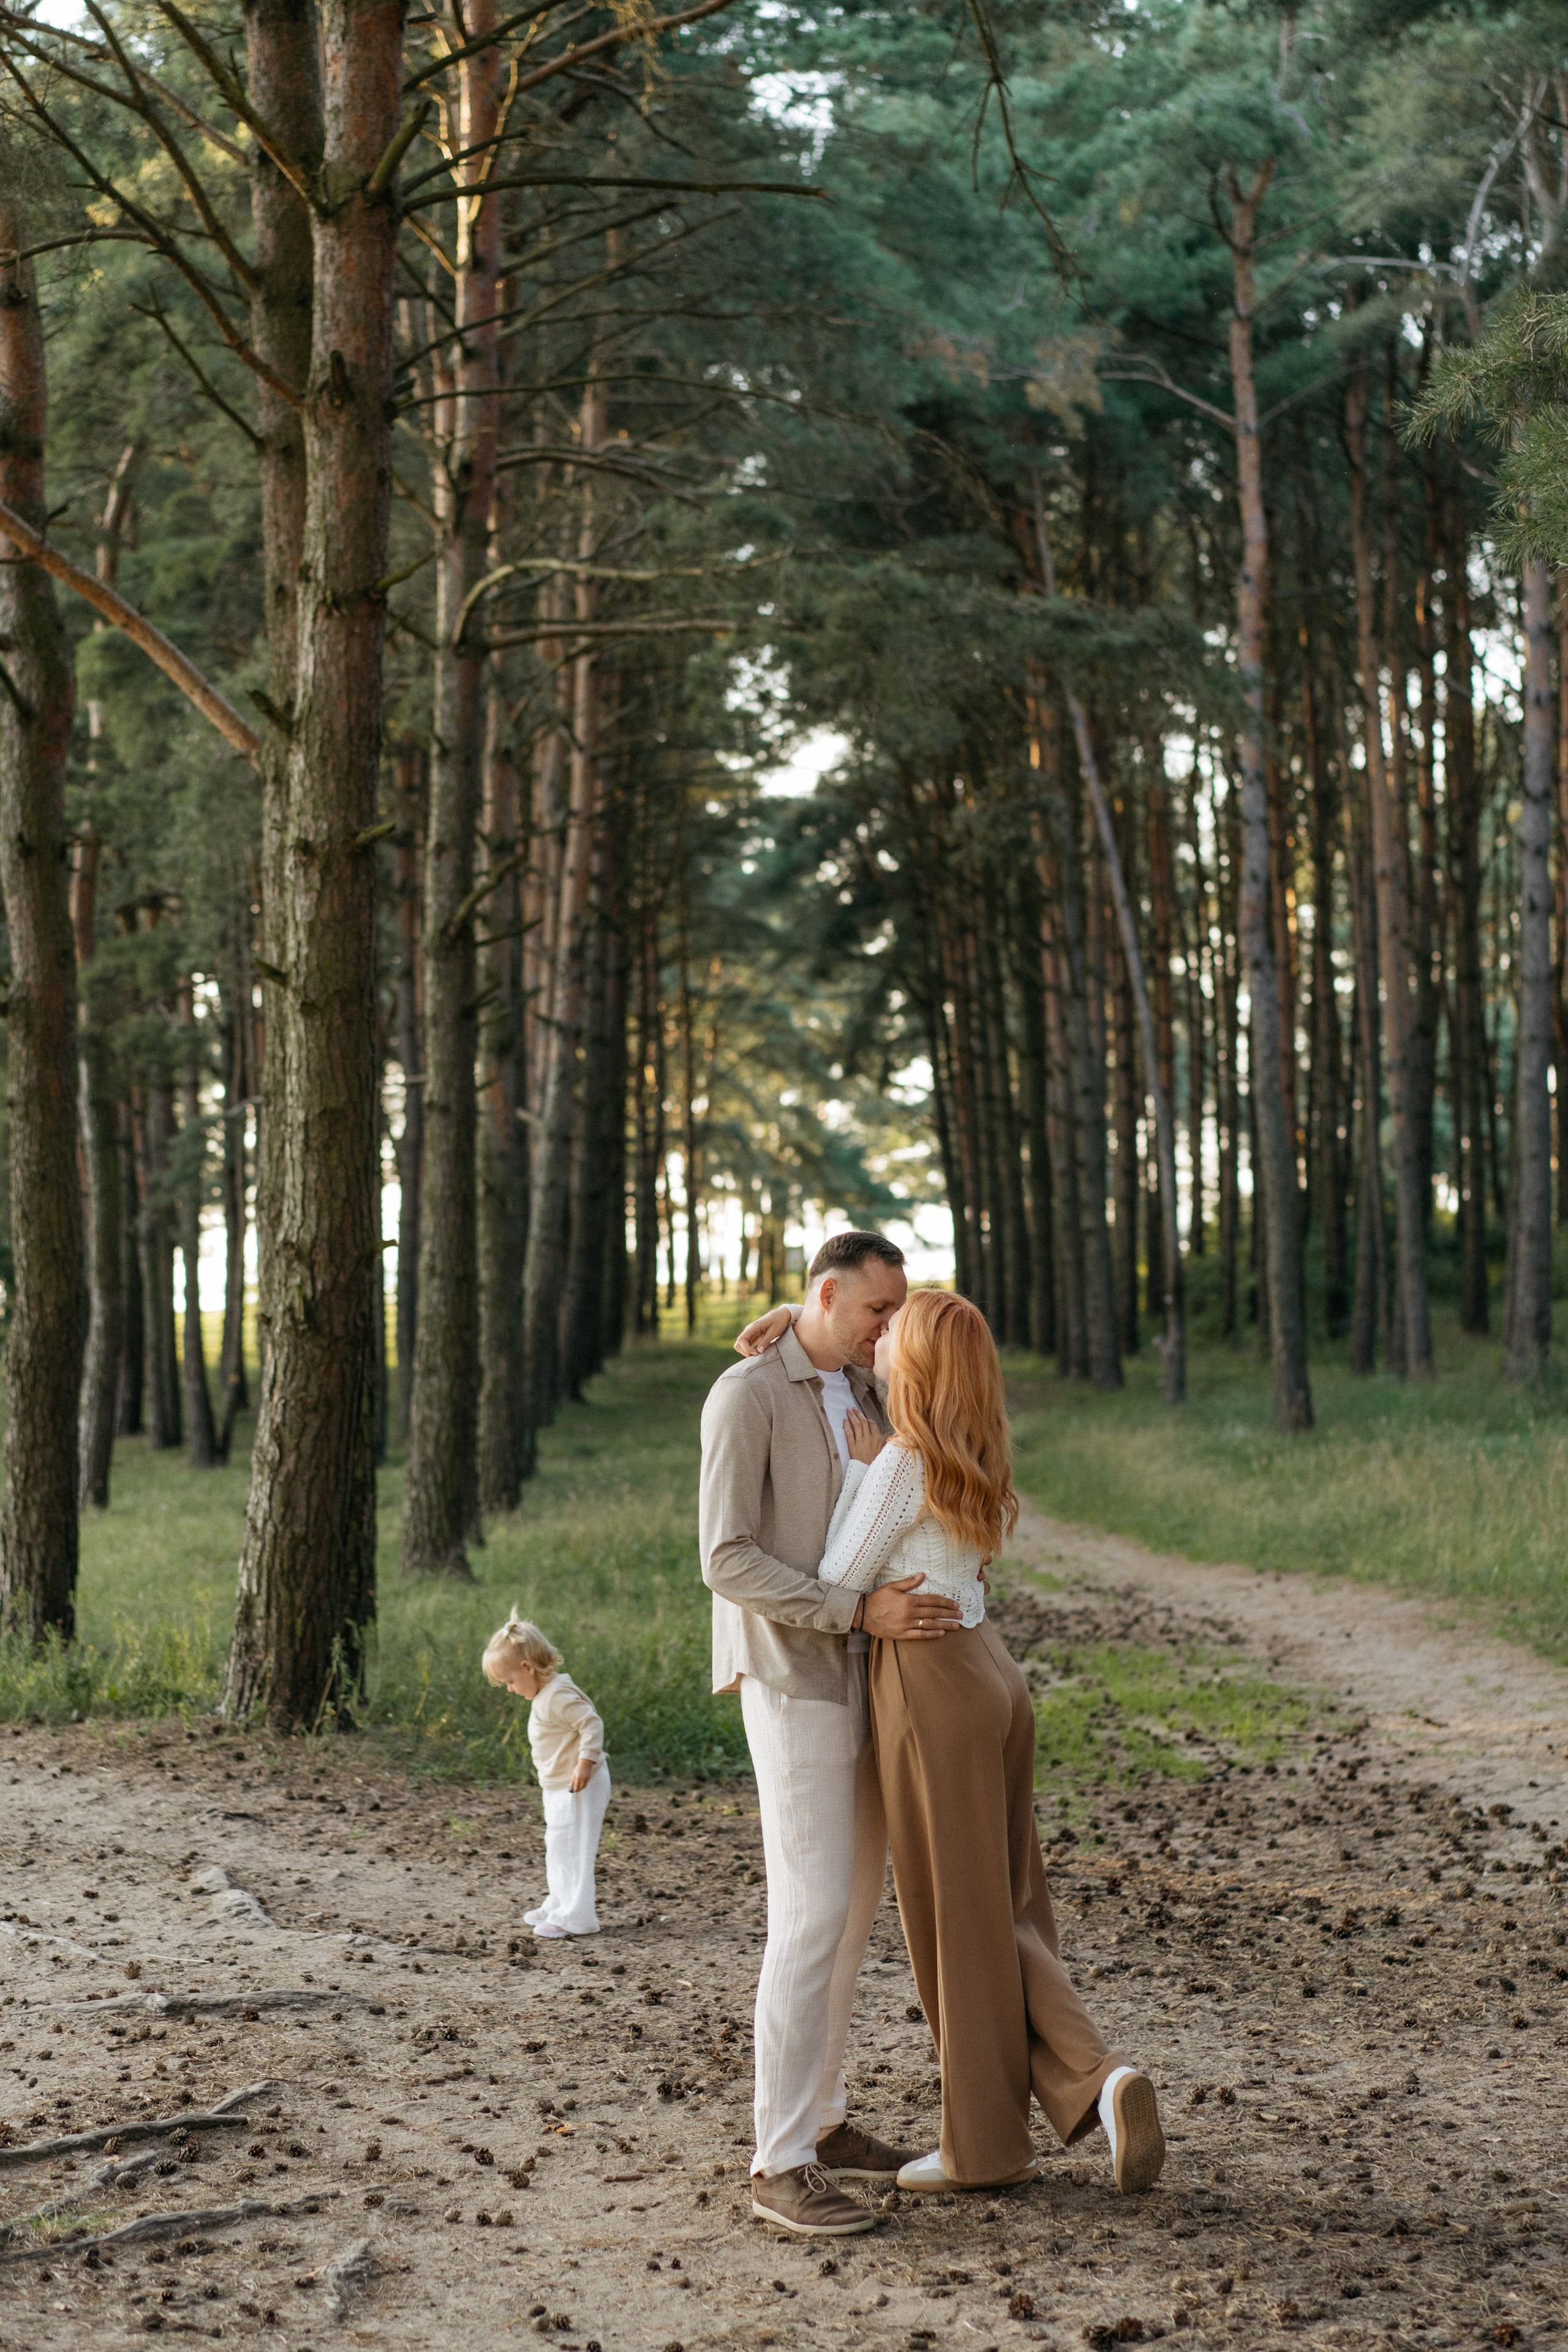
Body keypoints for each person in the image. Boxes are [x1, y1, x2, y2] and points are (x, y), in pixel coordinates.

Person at [741, 1288, 1165, 2197]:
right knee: (1008, 1906)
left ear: (920, 1362)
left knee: (958, 1923)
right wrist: (788, 1314)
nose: (881, 1332)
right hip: (992, 1671)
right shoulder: (973, 1447)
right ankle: (1092, 2083)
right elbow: (831, 1325)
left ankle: (989, 2145)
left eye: (895, 1326)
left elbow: (841, 1576)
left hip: (930, 1681)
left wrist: (860, 1476)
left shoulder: (900, 1461)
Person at [700, 1230, 967, 2240]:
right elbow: (726, 1558)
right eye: (874, 1309)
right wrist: (855, 1611)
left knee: (851, 1919)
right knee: (809, 1918)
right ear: (824, 1294)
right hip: (794, 1676)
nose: (888, 1327)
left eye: (896, 1309)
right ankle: (778, 2164)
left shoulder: (858, 1383)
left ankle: (822, 2118)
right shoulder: (746, 1396)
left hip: (873, 1679)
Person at [483, 1615, 609, 1940]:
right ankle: (559, 1901)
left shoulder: (556, 1696)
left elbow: (591, 1724)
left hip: (579, 1785)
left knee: (574, 1849)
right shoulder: (545, 1695)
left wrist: (585, 1763)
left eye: (510, 1682)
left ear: (527, 1668)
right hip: (559, 1786)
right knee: (558, 1845)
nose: (510, 1690)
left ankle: (577, 1916)